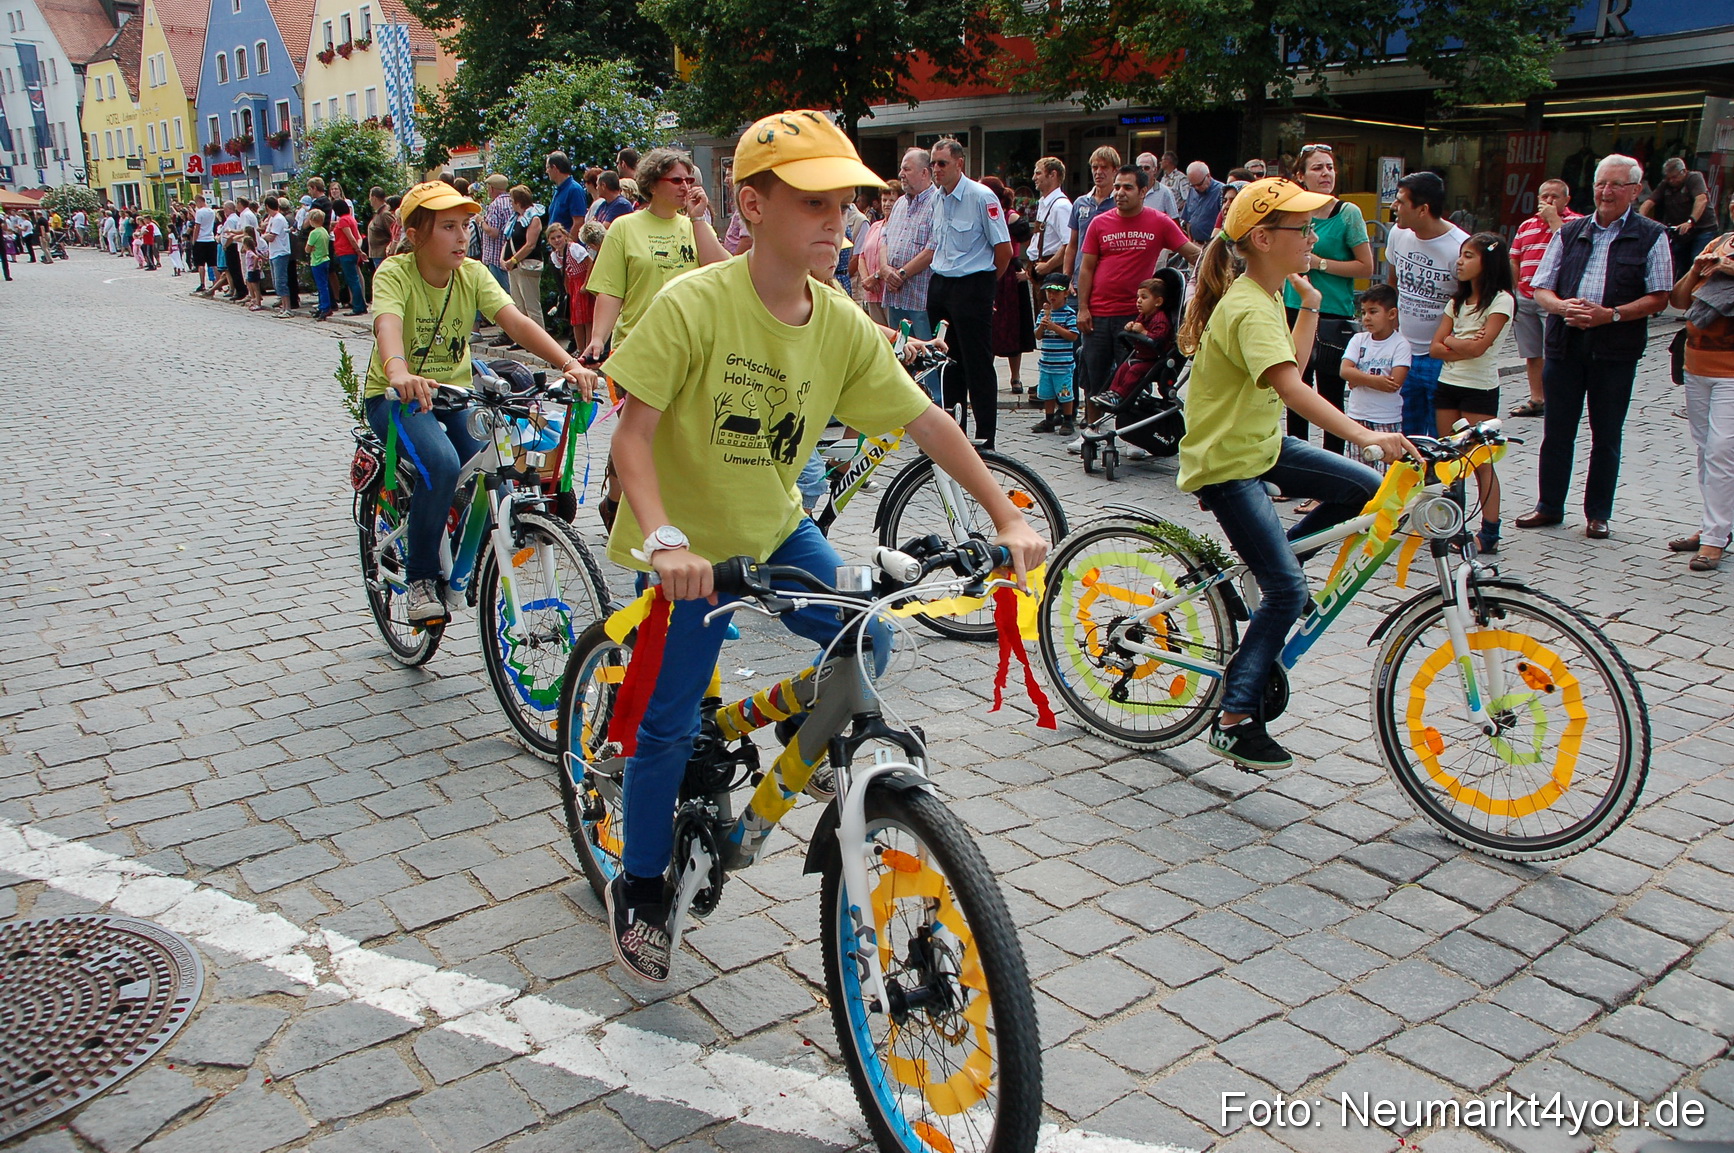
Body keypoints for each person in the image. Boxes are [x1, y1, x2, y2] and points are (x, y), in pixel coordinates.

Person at [574, 108, 1047, 983]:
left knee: (869, 633)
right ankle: (639, 883)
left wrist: (1005, 514)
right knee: (667, 729)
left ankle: (812, 733)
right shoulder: (693, 305)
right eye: (813, 201)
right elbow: (631, 440)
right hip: (689, 550)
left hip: (774, 523)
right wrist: (671, 541)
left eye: (846, 201)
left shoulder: (837, 321)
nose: (838, 219)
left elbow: (925, 418)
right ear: (750, 206)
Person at [1176, 177, 1413, 771]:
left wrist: (1309, 306)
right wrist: (1365, 436)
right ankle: (1234, 718)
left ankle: (1277, 564)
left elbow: (1293, 368)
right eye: (1301, 229)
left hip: (1260, 444)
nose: (1312, 238)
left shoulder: (1265, 294)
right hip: (1227, 462)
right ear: (1262, 238)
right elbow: (1291, 387)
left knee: (1364, 490)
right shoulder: (1249, 304)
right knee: (1287, 591)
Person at [366, 180, 591, 624]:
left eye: (465, 225)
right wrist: (398, 372)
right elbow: (387, 325)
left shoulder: (472, 274)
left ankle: (478, 560)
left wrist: (570, 363)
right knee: (443, 466)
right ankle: (420, 579)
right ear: (415, 236)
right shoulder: (395, 274)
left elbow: (516, 321)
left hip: (455, 395)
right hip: (398, 398)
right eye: (448, 227)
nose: (463, 236)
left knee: (501, 474)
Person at [1518, 154, 1673, 540]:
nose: (1606, 192)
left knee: (1606, 434)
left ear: (1635, 191)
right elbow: (1540, 286)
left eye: (1617, 185)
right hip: (1565, 343)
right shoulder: (1570, 231)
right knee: (1557, 430)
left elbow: (1660, 297)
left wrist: (1613, 314)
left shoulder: (1652, 234)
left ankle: (1598, 513)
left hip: (1615, 348)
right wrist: (1559, 306)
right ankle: (1549, 505)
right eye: (1602, 184)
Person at [1076, 165, 1199, 425]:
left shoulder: (1159, 221)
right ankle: (1092, 428)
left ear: (1144, 191)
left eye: (1128, 187)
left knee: (1136, 376)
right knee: (1093, 375)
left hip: (1137, 316)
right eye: (1117, 186)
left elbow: (1191, 253)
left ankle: (1132, 432)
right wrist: (1083, 308)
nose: (1120, 192)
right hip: (1098, 314)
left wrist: (1221, 259)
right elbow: (1086, 268)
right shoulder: (1100, 223)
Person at [583, 146, 730, 364]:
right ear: (652, 184)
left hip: (687, 348)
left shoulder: (696, 227)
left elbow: (723, 273)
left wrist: (698, 219)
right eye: (676, 181)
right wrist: (597, 338)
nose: (685, 187)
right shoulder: (624, 227)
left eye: (689, 181)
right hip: (638, 347)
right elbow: (610, 291)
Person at [1282, 142, 1375, 468]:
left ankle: (1333, 474)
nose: (1325, 174)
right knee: (1295, 392)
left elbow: (1366, 267)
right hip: (1293, 308)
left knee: (1331, 397)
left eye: (1330, 167)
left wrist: (1319, 264)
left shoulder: (1347, 213)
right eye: (1317, 168)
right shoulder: (1295, 212)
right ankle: (1297, 471)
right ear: (1300, 175)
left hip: (1333, 314)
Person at [920, 137, 1014, 449]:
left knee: (978, 363)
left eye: (942, 163)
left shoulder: (980, 196)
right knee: (947, 361)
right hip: (942, 283)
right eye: (933, 163)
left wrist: (985, 289)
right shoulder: (938, 197)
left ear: (960, 163)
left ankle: (986, 437)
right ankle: (955, 434)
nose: (936, 169)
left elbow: (1003, 250)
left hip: (973, 282)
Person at [1429, 232, 1515, 552]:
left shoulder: (1501, 300)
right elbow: (1436, 347)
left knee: (1481, 460)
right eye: (1461, 255)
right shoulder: (1457, 302)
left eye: (1469, 256)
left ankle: (1490, 530)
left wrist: (1454, 342)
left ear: (1488, 262)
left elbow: (1480, 348)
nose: (1460, 262)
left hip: (1479, 387)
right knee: (1450, 459)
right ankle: (1452, 524)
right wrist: (1457, 344)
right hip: (1448, 384)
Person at [1667, 197, 1734, 572]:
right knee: (1706, 449)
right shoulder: (1718, 242)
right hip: (1697, 363)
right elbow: (1678, 299)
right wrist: (1696, 270)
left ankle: (1713, 538)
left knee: (1723, 450)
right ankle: (1715, 526)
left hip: (1732, 370)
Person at [1386, 171, 1469, 435]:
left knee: (1441, 439)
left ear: (1423, 209)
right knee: (1405, 435)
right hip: (1404, 351)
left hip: (1441, 358)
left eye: (1400, 202)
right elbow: (1392, 283)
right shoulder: (1398, 235)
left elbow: (1471, 303)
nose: (1393, 208)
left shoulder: (1460, 248)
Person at [1508, 179, 1580, 418]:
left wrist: (1552, 220)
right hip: (1526, 295)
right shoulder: (1526, 225)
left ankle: (1558, 397)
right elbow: (1515, 259)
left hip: (1554, 299)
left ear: (1566, 200)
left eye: (1554, 197)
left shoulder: (1575, 223)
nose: (1548, 202)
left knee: (1555, 351)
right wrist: (1513, 292)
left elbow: (1571, 248)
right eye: (1544, 197)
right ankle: (1537, 398)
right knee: (1532, 352)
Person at [1338, 284, 1411, 475]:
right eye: (1363, 312)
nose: (1366, 318)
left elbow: (1394, 383)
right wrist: (1375, 381)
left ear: (1392, 313)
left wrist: (1360, 378)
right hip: (1357, 418)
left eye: (1373, 311)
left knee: (1384, 474)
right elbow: (1345, 370)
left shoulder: (1400, 344)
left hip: (1385, 420)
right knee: (1357, 473)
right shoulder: (1359, 340)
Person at [983, 176, 1036, 397]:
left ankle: (1015, 376)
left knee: (1014, 327)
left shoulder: (1009, 216)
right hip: (988, 270)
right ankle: (988, 375)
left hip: (1010, 276)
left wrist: (1030, 272)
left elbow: (1030, 241)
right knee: (990, 326)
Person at [879, 147, 939, 340]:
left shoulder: (938, 203)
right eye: (901, 169)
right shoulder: (899, 204)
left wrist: (901, 275)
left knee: (926, 359)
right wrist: (885, 270)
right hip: (894, 297)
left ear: (924, 172)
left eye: (907, 169)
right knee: (900, 356)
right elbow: (884, 238)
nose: (900, 174)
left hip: (920, 300)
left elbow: (933, 249)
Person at [1098, 274, 1180, 410]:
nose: (1139, 301)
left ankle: (1121, 395)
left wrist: (1143, 332)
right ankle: (1112, 392)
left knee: (1135, 370)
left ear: (1158, 302)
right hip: (1142, 356)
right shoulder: (1143, 316)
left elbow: (1159, 339)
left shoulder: (1160, 319)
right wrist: (1130, 327)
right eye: (1138, 297)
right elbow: (1138, 325)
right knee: (1124, 366)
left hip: (1155, 359)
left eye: (1144, 297)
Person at [1641, 158, 1718, 278]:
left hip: (1702, 229)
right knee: (1677, 263)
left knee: (1697, 261)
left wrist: (1691, 221)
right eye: (1668, 178)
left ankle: (1695, 291)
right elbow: (1649, 202)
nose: (1671, 181)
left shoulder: (1694, 178)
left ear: (1684, 171)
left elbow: (1701, 199)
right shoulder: (1665, 184)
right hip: (1680, 232)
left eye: (1674, 177)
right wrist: (1640, 220)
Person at [1032, 275, 1079, 433]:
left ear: (1065, 293)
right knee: (1047, 393)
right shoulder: (1043, 314)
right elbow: (1037, 336)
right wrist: (1042, 327)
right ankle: (1049, 419)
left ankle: (1068, 419)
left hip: (1063, 364)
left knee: (1065, 393)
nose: (1052, 296)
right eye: (1049, 292)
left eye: (1056, 292)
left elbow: (1073, 336)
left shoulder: (1069, 314)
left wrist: (1055, 327)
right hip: (1046, 363)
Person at [502, 184, 547, 338]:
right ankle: (523, 338)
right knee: (518, 304)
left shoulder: (533, 218)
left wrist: (513, 259)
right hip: (513, 268)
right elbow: (508, 240)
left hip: (526, 265)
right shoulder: (515, 219)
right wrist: (503, 259)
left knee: (531, 305)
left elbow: (530, 244)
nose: (510, 203)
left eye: (512, 200)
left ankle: (540, 338)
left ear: (518, 201)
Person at [851, 181, 898, 326]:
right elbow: (862, 255)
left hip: (889, 292)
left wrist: (876, 277)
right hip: (871, 292)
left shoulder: (900, 228)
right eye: (884, 200)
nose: (887, 204)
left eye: (892, 200)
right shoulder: (874, 226)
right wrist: (867, 280)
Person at [1028, 156, 1072, 281]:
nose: (1034, 178)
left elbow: (1069, 244)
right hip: (1040, 269)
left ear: (1053, 175)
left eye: (1038, 173)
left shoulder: (1061, 206)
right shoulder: (1044, 203)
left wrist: (1048, 266)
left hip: (1052, 271)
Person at [331, 200, 368, 316]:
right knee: (355, 279)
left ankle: (357, 307)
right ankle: (361, 305)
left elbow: (351, 238)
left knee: (352, 281)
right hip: (350, 253)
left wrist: (358, 250)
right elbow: (357, 236)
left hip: (346, 252)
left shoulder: (343, 221)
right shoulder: (351, 219)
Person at [479, 173, 514, 291]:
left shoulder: (495, 205)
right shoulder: (511, 201)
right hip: (508, 254)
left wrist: (480, 222)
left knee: (501, 293)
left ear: (491, 188)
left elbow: (493, 232)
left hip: (495, 257)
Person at [262, 198, 294, 316]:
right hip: (273, 252)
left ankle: (288, 308)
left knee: (281, 281)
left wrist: (263, 236)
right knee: (276, 282)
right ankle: (283, 307)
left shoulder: (279, 219)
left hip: (280, 252)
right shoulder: (272, 218)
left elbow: (271, 236)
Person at [1180, 162, 1225, 244]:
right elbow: (1188, 218)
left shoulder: (1221, 191)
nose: (1196, 188)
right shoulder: (1192, 190)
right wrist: (1191, 240)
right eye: (1193, 185)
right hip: (1195, 243)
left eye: (1199, 184)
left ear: (1208, 176)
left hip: (1212, 244)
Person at [365, 187, 396, 302]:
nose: (370, 200)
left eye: (370, 197)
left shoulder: (384, 214)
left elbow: (394, 232)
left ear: (374, 197)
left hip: (382, 253)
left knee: (384, 281)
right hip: (376, 253)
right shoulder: (378, 213)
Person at [545, 151, 588, 231]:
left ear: (554, 168)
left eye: (547, 168)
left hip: (566, 242)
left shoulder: (574, 190)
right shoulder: (558, 190)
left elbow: (578, 223)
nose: (546, 171)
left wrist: (568, 243)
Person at [306, 209, 334, 321]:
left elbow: (307, 249)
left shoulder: (314, 233)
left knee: (321, 286)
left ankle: (325, 307)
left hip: (316, 261)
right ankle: (323, 306)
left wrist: (311, 248)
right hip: (325, 258)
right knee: (324, 284)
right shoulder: (324, 231)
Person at [1133, 152, 1180, 218]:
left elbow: (1174, 219)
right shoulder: (1131, 191)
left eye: (1146, 168)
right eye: (1140, 168)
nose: (1142, 171)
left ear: (1155, 170)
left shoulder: (1165, 192)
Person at [191, 195, 219, 293]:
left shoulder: (199, 212)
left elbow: (197, 227)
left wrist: (194, 240)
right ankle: (218, 283)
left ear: (199, 201)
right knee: (213, 263)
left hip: (201, 240)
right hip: (210, 239)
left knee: (201, 264)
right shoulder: (211, 211)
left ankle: (202, 283)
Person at [241, 230, 266, 309]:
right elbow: (263, 258)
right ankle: (256, 301)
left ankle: (258, 303)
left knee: (255, 289)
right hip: (256, 271)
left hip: (252, 271)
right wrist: (260, 266)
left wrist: (254, 267)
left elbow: (256, 258)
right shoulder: (255, 251)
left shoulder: (249, 252)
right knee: (257, 288)